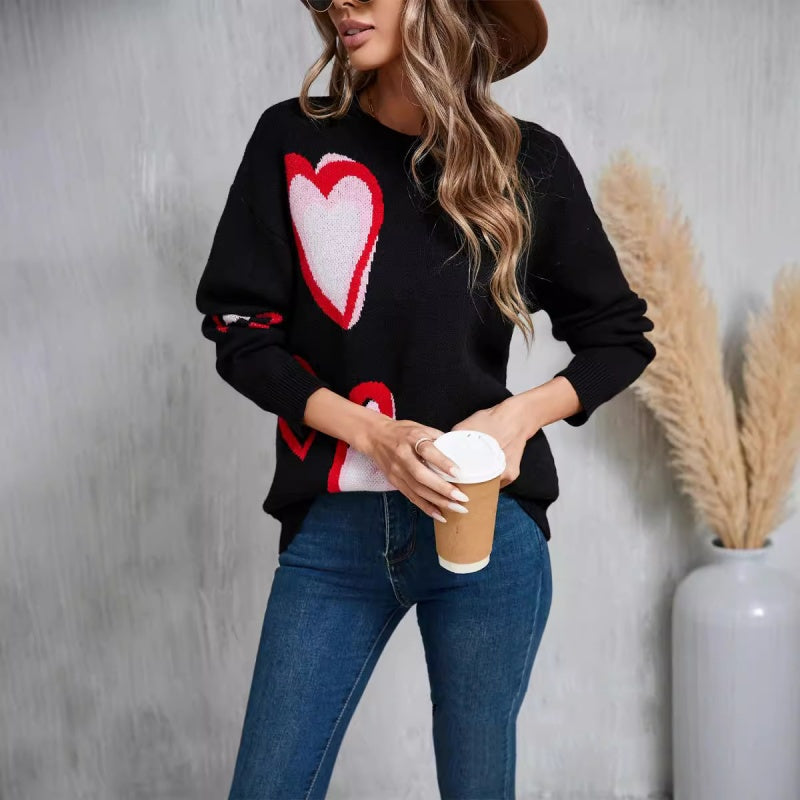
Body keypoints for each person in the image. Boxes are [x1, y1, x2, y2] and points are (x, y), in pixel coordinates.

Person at [195, 0, 657, 797]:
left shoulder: (527, 163)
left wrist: (517, 417)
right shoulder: (292, 140)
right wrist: (373, 435)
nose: (340, 2)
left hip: (484, 530)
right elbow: (242, 331)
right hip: (335, 535)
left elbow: (619, 336)